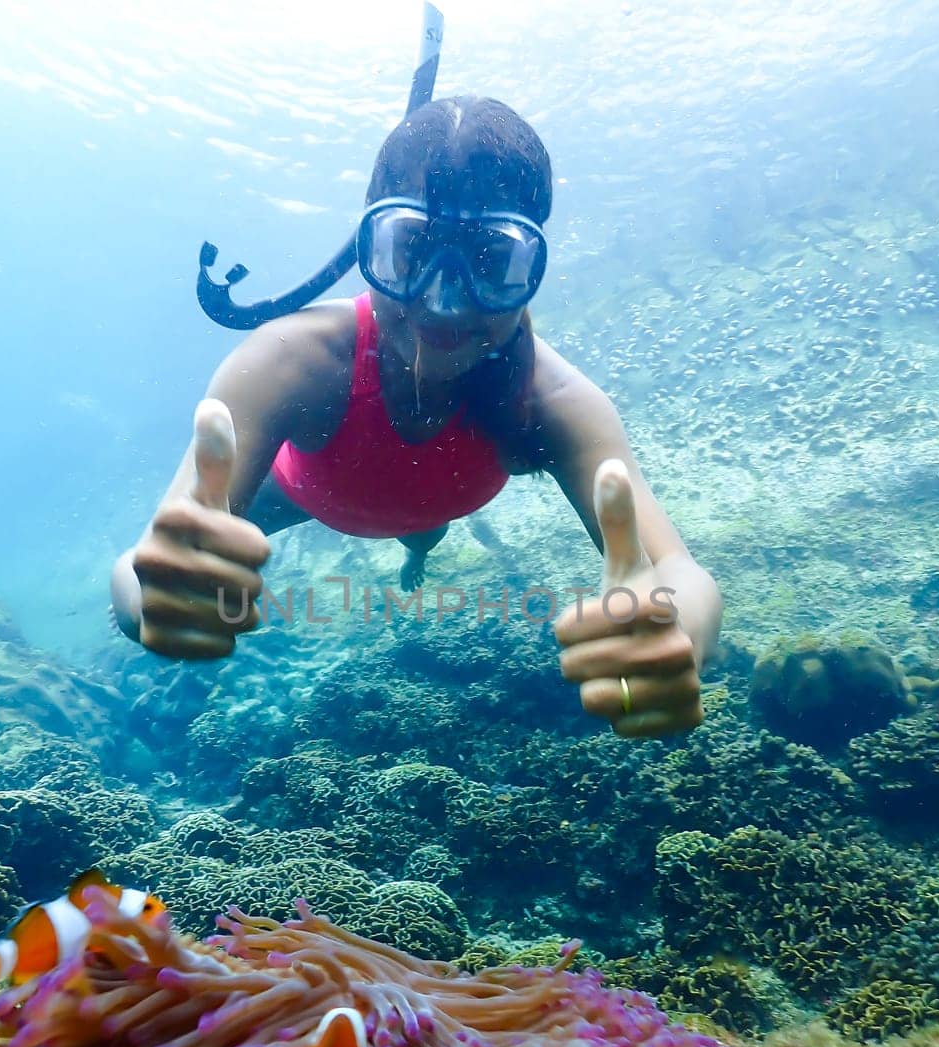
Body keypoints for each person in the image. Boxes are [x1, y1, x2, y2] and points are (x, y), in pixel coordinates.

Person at [111, 97, 721, 738]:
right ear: (366, 245)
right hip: (299, 497)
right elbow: (142, 565)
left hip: (432, 509)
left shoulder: (551, 402)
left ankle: (417, 556)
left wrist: (676, 628)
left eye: (489, 260)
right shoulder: (292, 362)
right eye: (412, 251)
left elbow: (678, 574)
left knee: (424, 532)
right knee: (212, 547)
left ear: (532, 268)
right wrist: (151, 600)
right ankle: (418, 546)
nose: (443, 300)